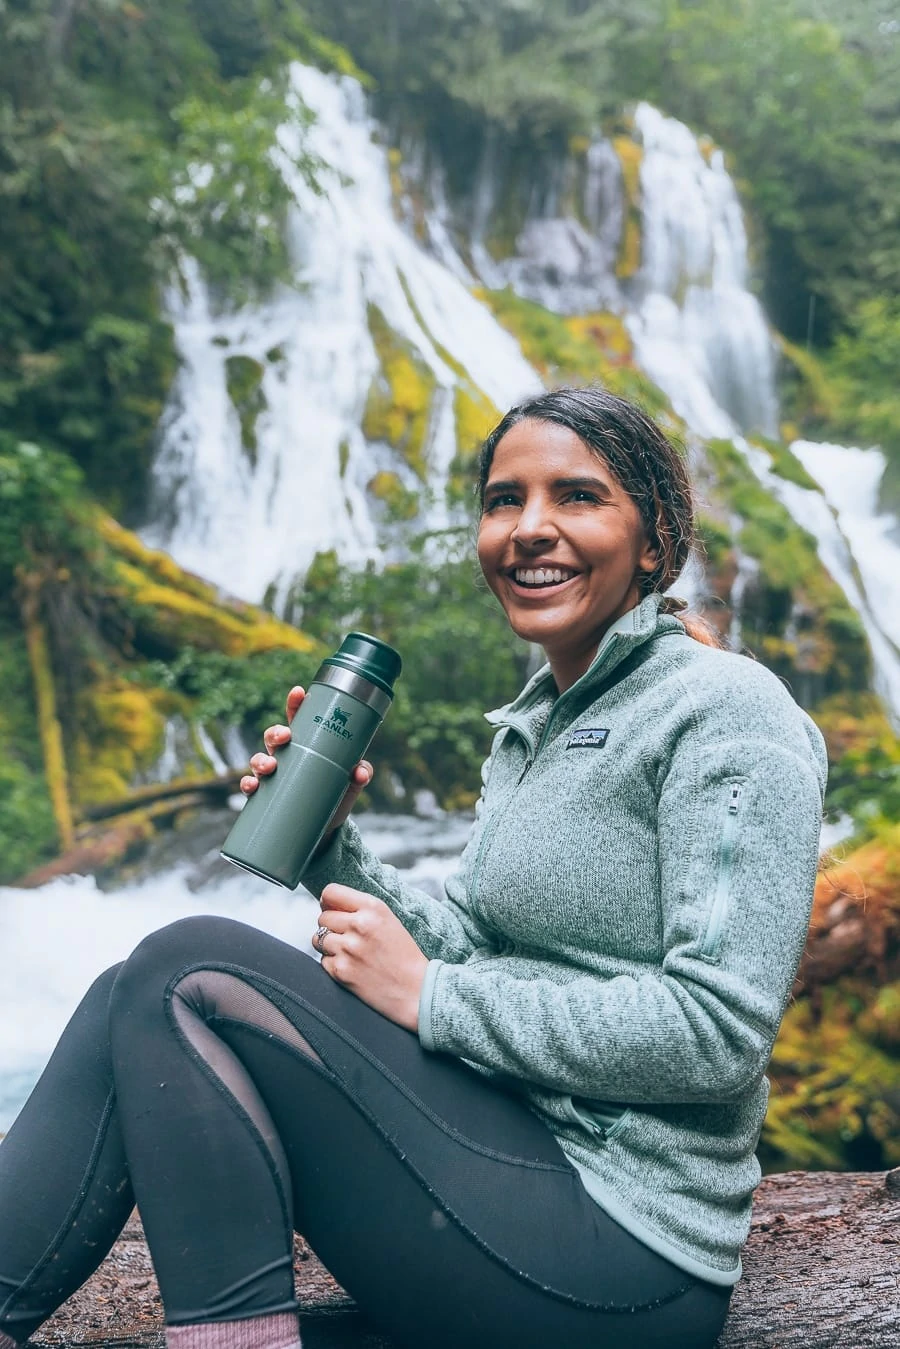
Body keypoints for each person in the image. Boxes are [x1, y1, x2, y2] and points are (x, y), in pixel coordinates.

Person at [0, 387, 826, 1349]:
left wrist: (433, 999)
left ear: (655, 539)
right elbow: (471, 942)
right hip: (499, 1161)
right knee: (126, 993)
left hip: (624, 1248)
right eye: (503, 500)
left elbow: (715, 1032)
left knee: (186, 969)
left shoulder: (728, 710)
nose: (530, 528)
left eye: (577, 496)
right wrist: (329, 852)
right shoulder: (536, 724)